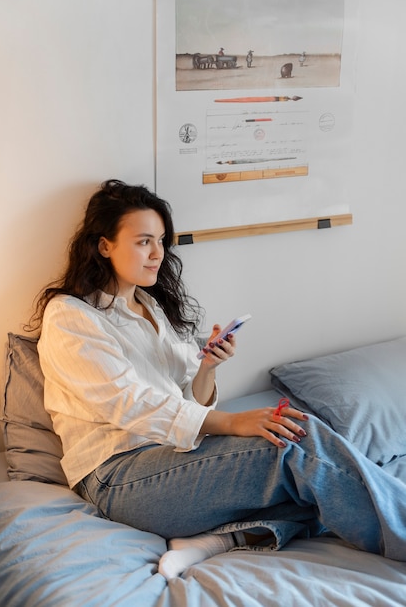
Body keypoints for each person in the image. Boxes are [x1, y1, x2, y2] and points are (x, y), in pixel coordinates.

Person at [32, 179, 406, 580]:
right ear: (104, 245)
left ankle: (221, 540)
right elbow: (130, 402)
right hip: (117, 477)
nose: (158, 253)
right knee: (294, 441)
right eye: (143, 241)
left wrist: (207, 368)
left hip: (172, 459)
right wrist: (231, 422)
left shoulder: (151, 308)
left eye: (161, 240)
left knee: (321, 484)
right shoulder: (71, 316)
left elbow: (187, 404)